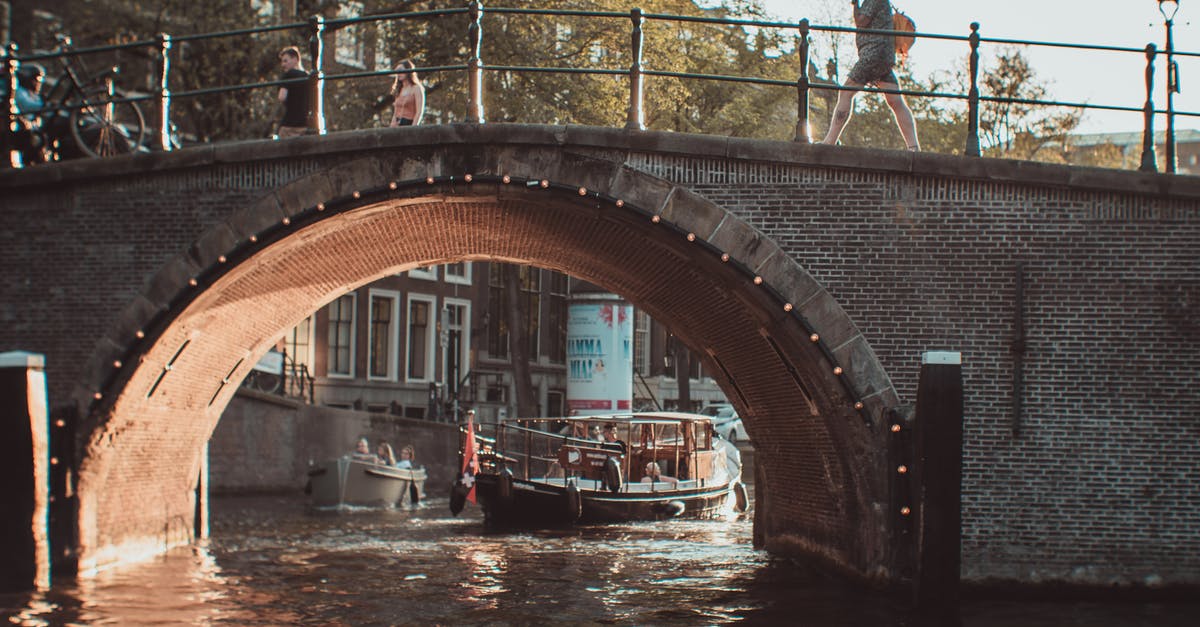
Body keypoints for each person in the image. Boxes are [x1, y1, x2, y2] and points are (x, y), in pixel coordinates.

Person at [820, 0, 920, 151]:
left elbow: (861, 21)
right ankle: (914, 147)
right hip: (883, 55)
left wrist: (855, 4)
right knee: (895, 101)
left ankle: (830, 141)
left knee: (846, 91)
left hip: (873, 53)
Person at [276, 46, 311, 139]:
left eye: (285, 61)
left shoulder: (288, 75)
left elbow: (281, 97)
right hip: (305, 124)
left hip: (289, 124)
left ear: (295, 59)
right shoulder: (308, 76)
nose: (283, 65)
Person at [388, 59, 425, 127]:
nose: (399, 73)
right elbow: (395, 113)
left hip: (409, 124)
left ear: (408, 71)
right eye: (397, 71)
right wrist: (391, 127)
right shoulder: (399, 89)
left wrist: (413, 128)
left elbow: (419, 112)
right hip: (397, 125)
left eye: (401, 70)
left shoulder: (416, 88)